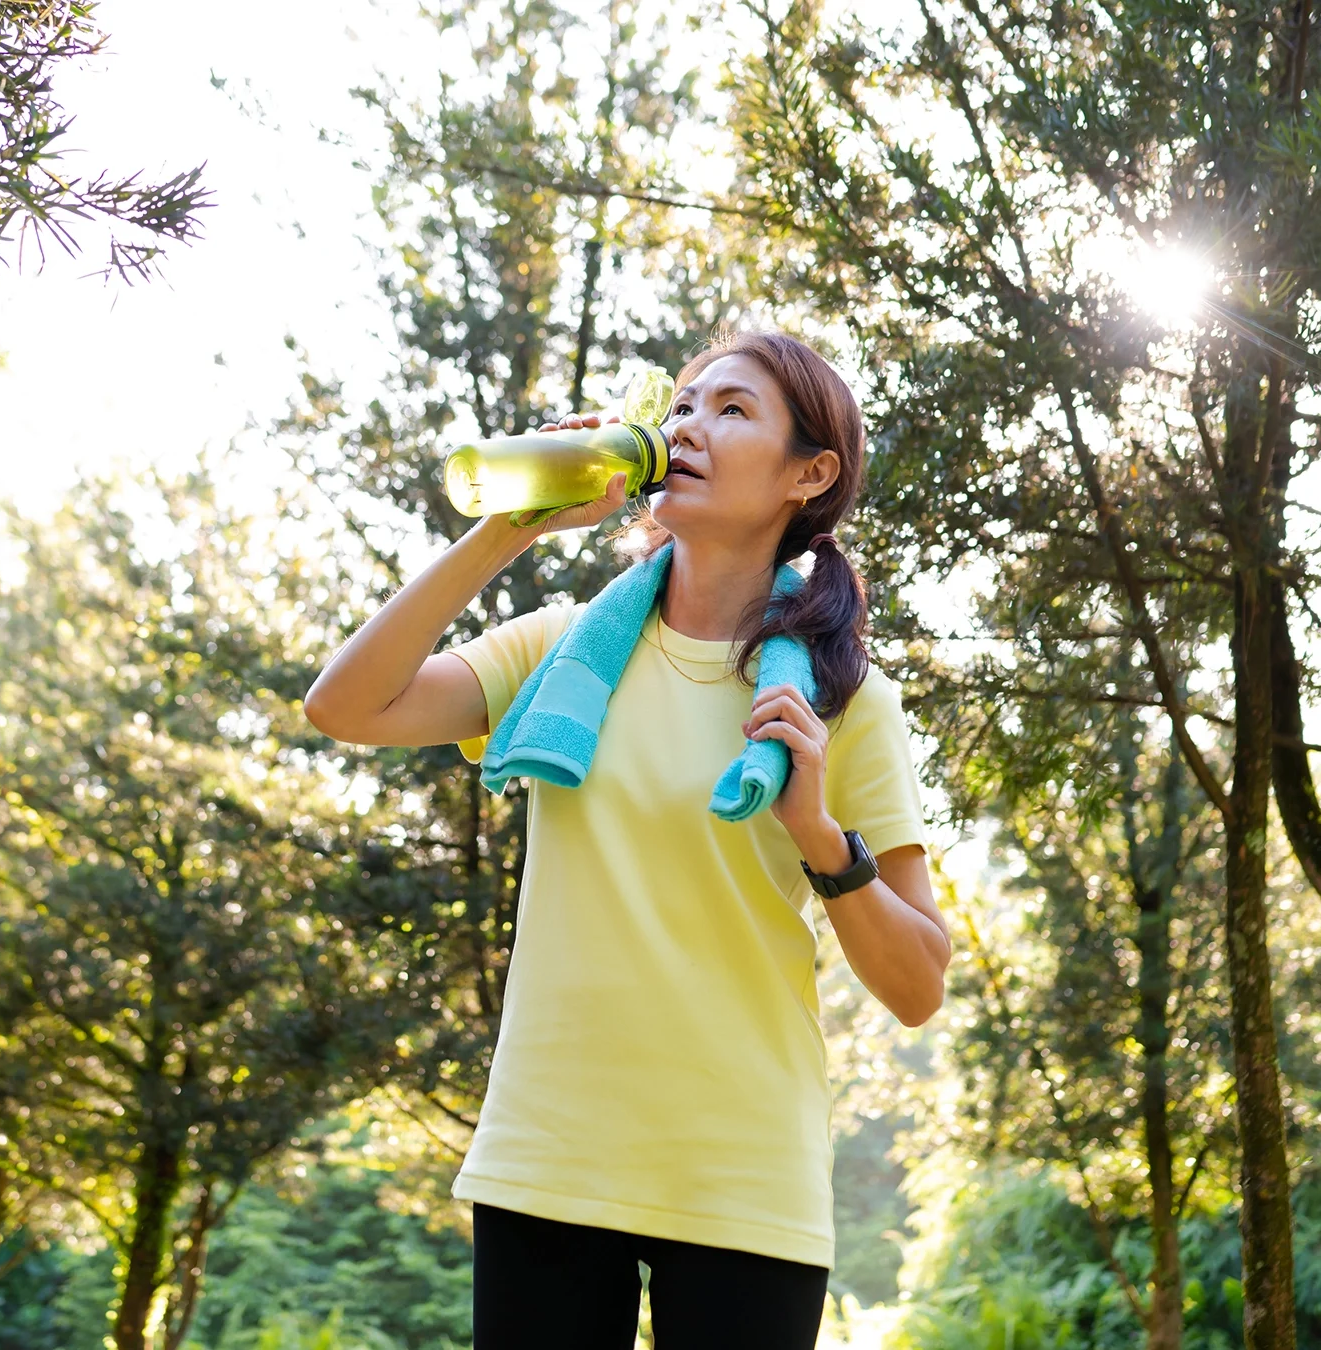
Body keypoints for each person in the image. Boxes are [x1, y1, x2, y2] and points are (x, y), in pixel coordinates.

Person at [303, 331, 951, 1349]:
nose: (690, 423)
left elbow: (918, 984)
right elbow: (347, 704)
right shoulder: (564, 652)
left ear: (810, 474)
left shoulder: (845, 699)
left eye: (733, 410)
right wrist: (505, 531)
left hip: (745, 1180)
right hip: (551, 1160)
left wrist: (821, 835)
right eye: (685, 404)